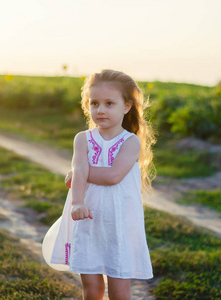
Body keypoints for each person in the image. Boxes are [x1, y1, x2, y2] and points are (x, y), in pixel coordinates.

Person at [46, 69, 157, 300]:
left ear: (126, 106)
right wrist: (77, 202)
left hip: (119, 222)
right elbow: (79, 169)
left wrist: (79, 174)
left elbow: (112, 176)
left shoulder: (130, 142)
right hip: (87, 219)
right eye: (94, 103)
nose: (101, 109)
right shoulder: (83, 139)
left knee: (119, 292)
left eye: (109, 103)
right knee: (92, 290)